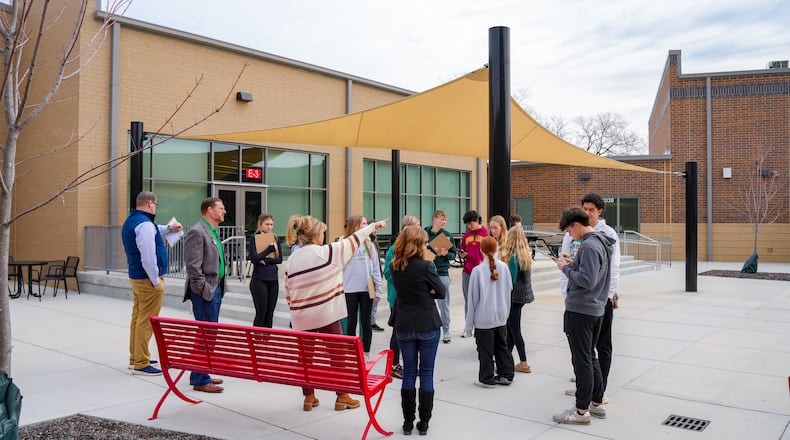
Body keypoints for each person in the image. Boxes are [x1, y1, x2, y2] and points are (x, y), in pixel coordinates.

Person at [284, 214, 387, 412]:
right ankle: (342, 396)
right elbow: (356, 238)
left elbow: (289, 294)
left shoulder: (293, 258)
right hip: (326, 314)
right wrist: (374, 225)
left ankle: (309, 396)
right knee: (337, 356)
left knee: (306, 357)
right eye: (322, 233)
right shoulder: (328, 252)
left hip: (301, 318)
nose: (324, 236)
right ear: (315, 236)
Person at [552, 207, 615, 424]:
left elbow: (586, 280)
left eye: (569, 230)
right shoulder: (601, 242)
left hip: (581, 310)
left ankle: (581, 411)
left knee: (582, 361)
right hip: (595, 308)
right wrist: (573, 264)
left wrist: (565, 269)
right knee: (590, 356)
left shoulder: (588, 245)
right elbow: (592, 274)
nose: (569, 235)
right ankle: (595, 403)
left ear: (577, 225)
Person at [560, 193, 620, 403]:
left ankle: (587, 402)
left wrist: (609, 295)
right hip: (587, 302)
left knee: (589, 354)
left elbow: (604, 273)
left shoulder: (597, 240)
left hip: (591, 304)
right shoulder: (591, 240)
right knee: (588, 355)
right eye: (584, 208)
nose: (588, 212)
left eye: (591, 210)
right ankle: (592, 394)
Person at [389, 225, 446, 436]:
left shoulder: (396, 266)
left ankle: (407, 422)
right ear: (418, 244)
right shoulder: (426, 266)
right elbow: (441, 291)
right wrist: (428, 289)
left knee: (409, 374)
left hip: (404, 324)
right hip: (427, 324)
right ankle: (424, 422)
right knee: (427, 373)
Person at [121, 191, 182, 376]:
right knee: (146, 321)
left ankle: (136, 357)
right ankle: (141, 362)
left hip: (137, 277)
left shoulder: (134, 221)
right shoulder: (145, 224)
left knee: (137, 318)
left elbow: (154, 230)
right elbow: (148, 256)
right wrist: (155, 280)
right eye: (155, 204)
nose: (155, 207)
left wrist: (168, 229)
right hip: (148, 280)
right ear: (149, 203)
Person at [182, 197, 227, 393]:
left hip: (214, 288)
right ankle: (201, 379)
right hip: (206, 291)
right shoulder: (197, 232)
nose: (224, 211)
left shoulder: (211, 231)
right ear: (210, 210)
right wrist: (204, 289)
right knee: (207, 336)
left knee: (206, 334)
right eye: (221, 208)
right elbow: (193, 266)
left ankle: (197, 374)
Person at [464, 236, 514, 388]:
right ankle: (506, 374)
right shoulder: (504, 268)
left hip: (484, 317)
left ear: (481, 250)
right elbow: (509, 289)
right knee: (502, 346)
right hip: (501, 315)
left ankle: (487, 377)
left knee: (485, 349)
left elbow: (472, 300)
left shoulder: (477, 271)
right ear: (497, 248)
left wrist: (468, 327)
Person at [383, 214, 420, 380]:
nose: (419, 228)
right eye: (417, 226)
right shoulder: (394, 249)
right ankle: (393, 365)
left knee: (409, 333)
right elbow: (388, 273)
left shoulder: (416, 248)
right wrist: (405, 275)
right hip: (398, 297)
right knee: (397, 333)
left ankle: (407, 364)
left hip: (412, 297)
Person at [341, 215, 383, 356]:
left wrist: (378, 289)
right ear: (355, 226)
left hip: (367, 288)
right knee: (351, 322)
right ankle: (350, 351)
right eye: (363, 224)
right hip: (349, 288)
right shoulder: (344, 242)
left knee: (366, 322)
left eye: (367, 223)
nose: (366, 226)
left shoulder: (370, 244)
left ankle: (366, 352)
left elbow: (375, 267)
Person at [501, 227, 534, 374]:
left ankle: (524, 362)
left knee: (514, 330)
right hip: (523, 295)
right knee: (511, 328)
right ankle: (505, 361)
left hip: (514, 296)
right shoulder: (525, 254)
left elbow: (512, 281)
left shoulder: (514, 257)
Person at [425, 210, 456, 343]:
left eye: (445, 220)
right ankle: (427, 329)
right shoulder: (424, 233)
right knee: (426, 303)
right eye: (441, 219)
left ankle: (446, 331)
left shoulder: (447, 236)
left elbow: (453, 255)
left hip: (442, 273)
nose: (443, 222)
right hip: (426, 273)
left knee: (444, 305)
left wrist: (446, 254)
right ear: (434, 219)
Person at [248, 213, 282, 328]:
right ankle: (256, 341)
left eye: (271, 224)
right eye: (267, 224)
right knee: (261, 312)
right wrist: (268, 250)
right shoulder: (254, 238)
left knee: (270, 314)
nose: (269, 227)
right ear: (260, 224)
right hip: (259, 279)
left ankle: (266, 341)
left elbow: (279, 259)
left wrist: (266, 260)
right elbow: (254, 258)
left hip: (273, 279)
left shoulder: (275, 237)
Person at [459, 210, 489, 337]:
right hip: (467, 271)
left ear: (477, 220)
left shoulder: (487, 234)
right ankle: (468, 328)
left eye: (471, 224)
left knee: (481, 300)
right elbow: (463, 250)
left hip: (482, 272)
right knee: (468, 301)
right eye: (467, 224)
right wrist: (462, 254)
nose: (469, 227)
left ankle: (480, 328)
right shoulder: (466, 236)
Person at [369, 227, 386, 332]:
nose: (376, 231)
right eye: (374, 229)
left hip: (376, 276)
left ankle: (372, 322)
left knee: (375, 302)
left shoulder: (374, 242)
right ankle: (369, 322)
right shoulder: (366, 243)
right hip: (369, 279)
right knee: (370, 302)